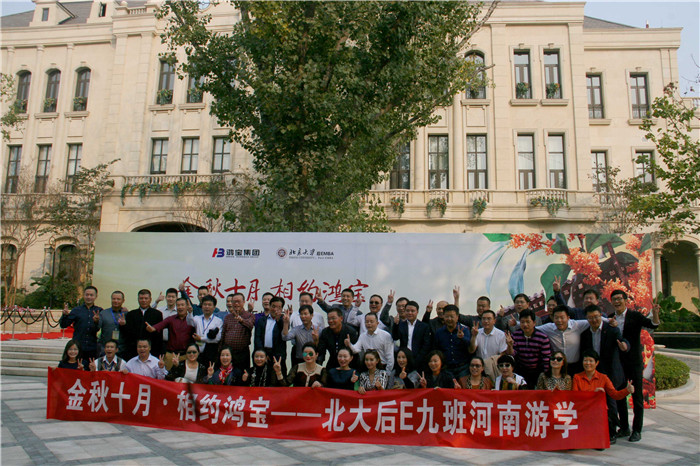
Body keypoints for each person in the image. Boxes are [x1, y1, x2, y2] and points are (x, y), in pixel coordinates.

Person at [609, 289, 660, 443]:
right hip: (618, 363)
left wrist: (655, 314)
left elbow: (653, 325)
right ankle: (624, 427)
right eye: (614, 299)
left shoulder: (634, 316)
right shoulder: (610, 318)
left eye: (619, 298)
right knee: (620, 395)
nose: (617, 301)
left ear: (626, 300)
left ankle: (637, 430)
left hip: (634, 363)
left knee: (637, 397)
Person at [573, 349, 635, 444]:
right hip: (583, 410)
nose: (588, 363)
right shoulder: (577, 377)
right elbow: (575, 396)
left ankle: (609, 434)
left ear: (597, 363)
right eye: (585, 360)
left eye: (591, 361)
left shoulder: (603, 378)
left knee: (610, 415)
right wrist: (593, 394)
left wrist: (627, 390)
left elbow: (615, 395)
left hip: (599, 412)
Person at [536, 305, 594, 375]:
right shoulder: (549, 328)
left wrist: (605, 320)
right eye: (556, 318)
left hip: (575, 366)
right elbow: (533, 328)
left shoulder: (577, 325)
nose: (559, 320)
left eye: (562, 317)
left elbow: (592, 320)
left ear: (568, 318)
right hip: (558, 366)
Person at [507, 309, 552, 389]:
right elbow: (512, 354)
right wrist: (510, 345)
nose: (525, 324)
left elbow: (546, 359)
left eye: (528, 322)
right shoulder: (515, 335)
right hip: (521, 370)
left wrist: (546, 376)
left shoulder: (542, 337)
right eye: (522, 322)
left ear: (534, 323)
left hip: (538, 371)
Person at [146, 297, 196, 370]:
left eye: (182, 305)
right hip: (171, 355)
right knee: (168, 375)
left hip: (186, 355)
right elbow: (161, 325)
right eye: (178, 305)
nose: (180, 307)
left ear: (186, 306)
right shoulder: (171, 319)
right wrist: (152, 328)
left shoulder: (192, 320)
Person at [59, 286, 102, 369]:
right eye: (87, 295)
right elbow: (63, 325)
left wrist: (96, 321)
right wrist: (65, 315)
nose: (89, 297)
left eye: (91, 295)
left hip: (92, 347)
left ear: (96, 296)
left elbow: (99, 327)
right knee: (77, 370)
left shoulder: (99, 311)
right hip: (78, 348)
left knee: (90, 370)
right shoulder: (76, 310)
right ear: (83, 295)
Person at [433, 304, 472, 380]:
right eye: (447, 316)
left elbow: (470, 348)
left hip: (463, 368)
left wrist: (462, 338)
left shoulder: (465, 330)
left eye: (452, 316)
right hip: (447, 369)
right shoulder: (439, 332)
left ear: (457, 317)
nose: (449, 319)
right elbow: (437, 350)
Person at [123, 289, 163, 360]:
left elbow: (159, 335)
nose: (143, 300)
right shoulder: (131, 314)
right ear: (138, 299)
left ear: (150, 299)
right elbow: (127, 335)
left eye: (146, 298)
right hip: (133, 351)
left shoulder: (157, 314)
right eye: (141, 298)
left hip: (152, 351)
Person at [392, 300, 432, 370]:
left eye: (412, 311)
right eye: (407, 311)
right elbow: (395, 337)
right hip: (403, 360)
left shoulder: (424, 326)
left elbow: (426, 345)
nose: (410, 313)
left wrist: (419, 358)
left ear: (417, 312)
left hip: (419, 360)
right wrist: (395, 325)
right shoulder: (400, 325)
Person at [219, 292, 256, 369]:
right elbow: (223, 334)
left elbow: (250, 325)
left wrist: (241, 320)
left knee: (242, 374)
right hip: (228, 353)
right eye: (234, 302)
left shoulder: (249, 315)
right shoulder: (228, 317)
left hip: (242, 353)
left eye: (238, 301)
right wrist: (220, 349)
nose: (236, 304)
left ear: (243, 302)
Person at [254, 296, 288, 374]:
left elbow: (285, 335)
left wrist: (278, 320)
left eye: (279, 307)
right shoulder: (261, 320)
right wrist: (262, 354)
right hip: (263, 354)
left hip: (278, 355)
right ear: (269, 306)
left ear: (282, 309)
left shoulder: (284, 320)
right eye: (273, 306)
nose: (275, 309)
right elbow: (257, 338)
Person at [469, 309, 507, 378]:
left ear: (494, 321)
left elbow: (503, 353)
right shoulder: (477, 332)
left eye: (489, 319)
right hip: (479, 367)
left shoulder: (501, 335)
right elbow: (472, 350)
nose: (486, 321)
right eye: (484, 319)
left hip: (494, 367)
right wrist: (474, 336)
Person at [193, 295, 223, 366]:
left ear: (214, 307)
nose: (207, 307)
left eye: (209, 305)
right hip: (197, 352)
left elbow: (217, 339)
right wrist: (190, 312)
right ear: (202, 306)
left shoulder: (218, 321)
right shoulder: (196, 318)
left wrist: (201, 339)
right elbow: (188, 322)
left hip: (211, 352)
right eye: (205, 304)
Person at [97, 290, 128, 356]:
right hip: (105, 349)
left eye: (118, 299)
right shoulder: (103, 313)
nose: (116, 301)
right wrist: (96, 321)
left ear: (123, 300)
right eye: (114, 299)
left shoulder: (127, 314)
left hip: (122, 350)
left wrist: (125, 325)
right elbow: (96, 328)